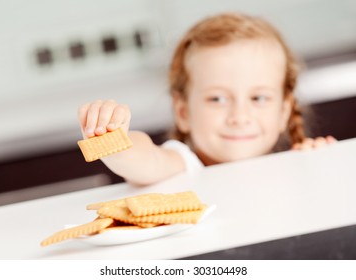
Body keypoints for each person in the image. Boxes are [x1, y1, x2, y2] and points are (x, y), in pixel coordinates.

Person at [78, 13, 336, 185]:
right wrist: (115, 141)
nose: (239, 117)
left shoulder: (289, 167)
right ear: (183, 113)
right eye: (217, 99)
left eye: (258, 97)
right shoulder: (184, 166)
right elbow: (147, 160)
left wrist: (317, 165)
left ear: (284, 112)